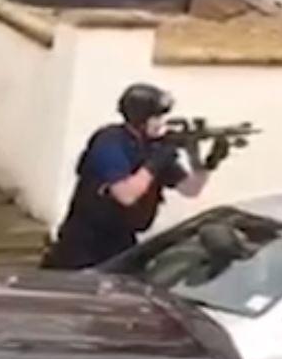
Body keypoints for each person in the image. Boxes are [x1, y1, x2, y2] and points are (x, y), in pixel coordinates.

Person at [40, 83, 230, 271]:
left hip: (121, 241)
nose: (161, 123)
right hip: (83, 245)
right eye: (156, 117)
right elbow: (125, 195)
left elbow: (190, 189)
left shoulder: (153, 148)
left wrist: (206, 162)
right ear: (140, 118)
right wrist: (155, 162)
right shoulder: (110, 141)